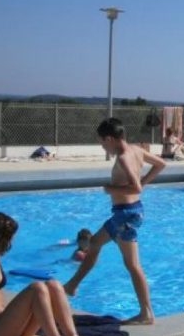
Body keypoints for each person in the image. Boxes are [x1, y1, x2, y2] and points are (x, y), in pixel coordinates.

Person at [64, 118, 167, 325]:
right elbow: (161, 164)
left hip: (125, 215)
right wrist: (143, 182)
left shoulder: (123, 158)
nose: (103, 147)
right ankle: (72, 285)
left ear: (110, 139)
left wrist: (111, 189)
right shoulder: (136, 150)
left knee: (133, 264)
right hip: (127, 212)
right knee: (94, 243)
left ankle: (146, 313)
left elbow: (135, 188)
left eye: (102, 143)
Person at [0, 213, 91, 336]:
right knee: (37, 288)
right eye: (8, 240)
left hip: (14, 330)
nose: (10, 245)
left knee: (53, 284)